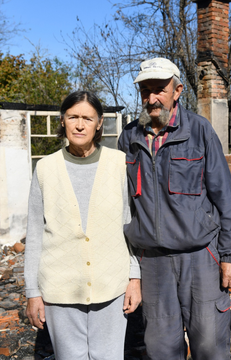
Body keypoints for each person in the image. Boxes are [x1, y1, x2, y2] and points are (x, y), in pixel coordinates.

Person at [117, 58, 231, 360]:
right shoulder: (129, 138)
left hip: (199, 258)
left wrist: (230, 256)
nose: (151, 98)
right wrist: (130, 270)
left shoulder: (199, 131)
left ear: (176, 91)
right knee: (161, 349)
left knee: (210, 346)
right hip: (153, 262)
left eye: (159, 90)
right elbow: (122, 205)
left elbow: (224, 197)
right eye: (145, 91)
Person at [24, 91, 142, 360]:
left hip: (111, 286)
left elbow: (130, 225)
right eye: (73, 117)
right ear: (62, 120)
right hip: (59, 288)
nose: (79, 125)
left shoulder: (119, 164)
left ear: (99, 123)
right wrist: (33, 292)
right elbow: (35, 235)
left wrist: (135, 278)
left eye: (87, 118)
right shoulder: (45, 168)